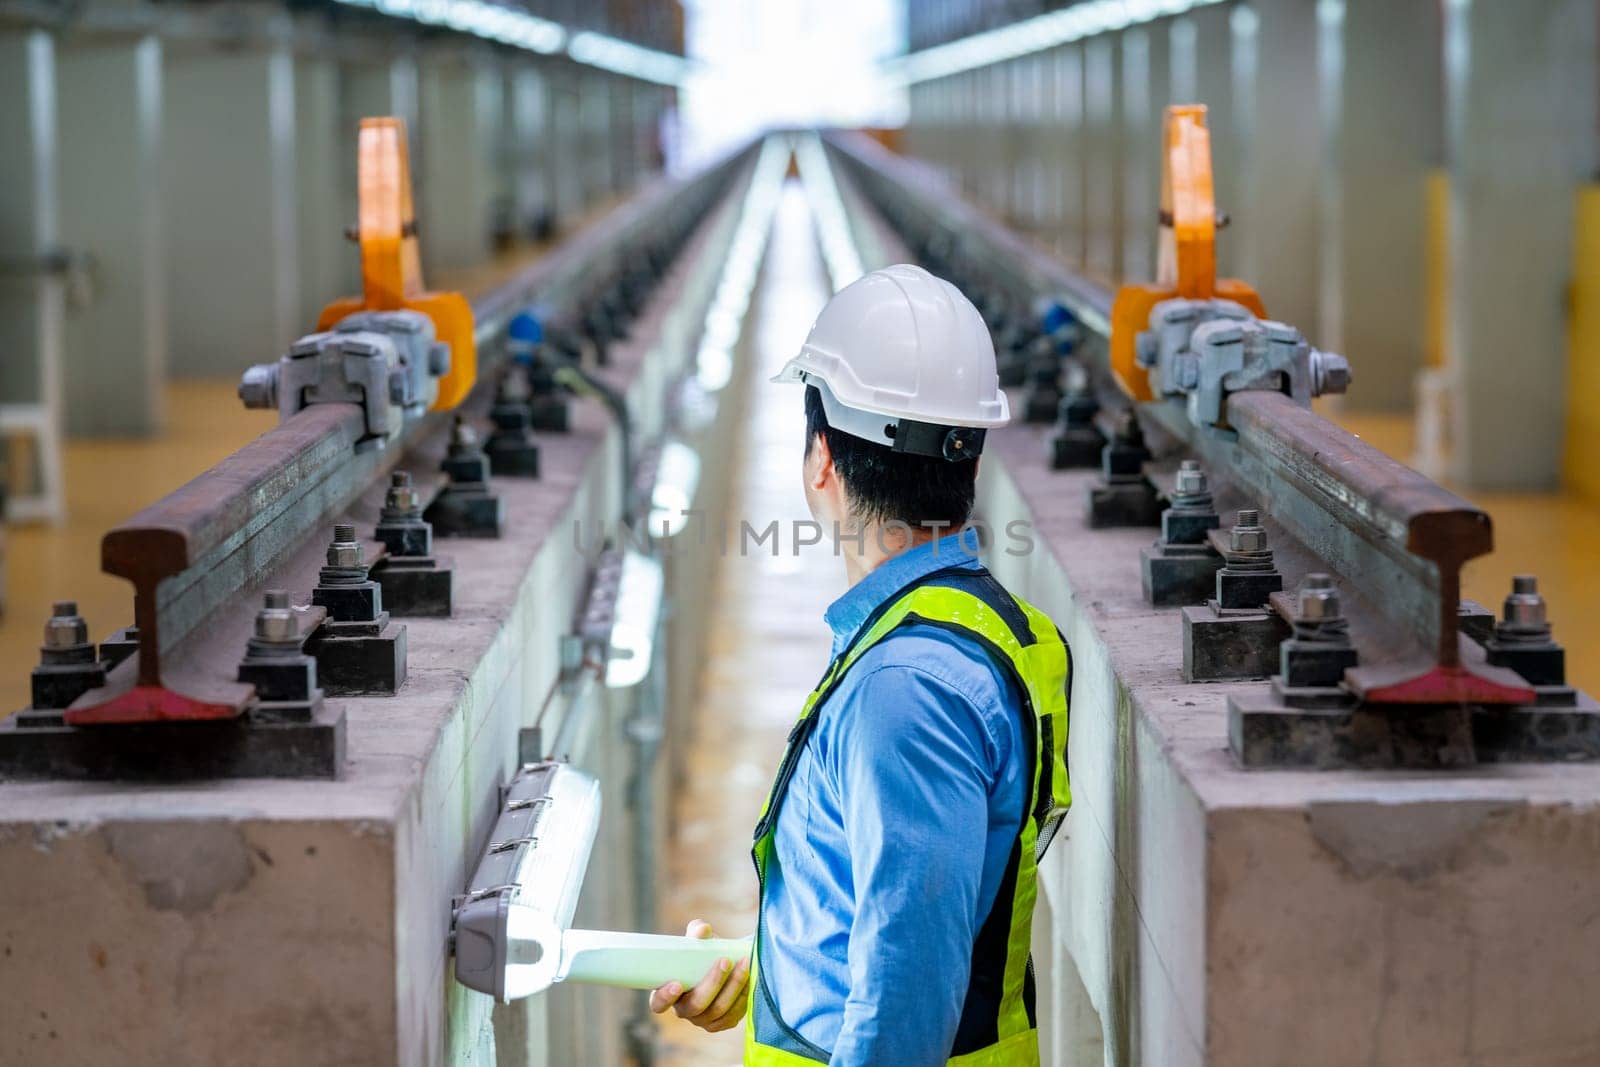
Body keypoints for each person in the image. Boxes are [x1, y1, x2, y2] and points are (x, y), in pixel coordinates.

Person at [650, 264, 1072, 1065]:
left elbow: (906, 997)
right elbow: (901, 906)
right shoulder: (954, 631)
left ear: (820, 462)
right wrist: (770, 965)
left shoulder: (904, 691)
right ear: (971, 465)